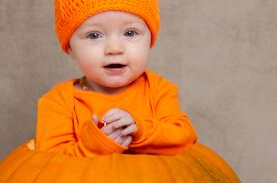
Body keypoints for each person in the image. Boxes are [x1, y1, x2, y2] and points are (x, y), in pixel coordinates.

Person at [35, 0, 197, 157]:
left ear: (150, 40)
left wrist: (139, 131)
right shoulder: (58, 102)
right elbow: (49, 163)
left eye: (130, 33)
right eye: (94, 36)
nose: (114, 49)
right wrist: (94, 146)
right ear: (70, 48)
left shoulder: (158, 89)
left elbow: (184, 138)